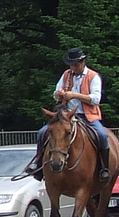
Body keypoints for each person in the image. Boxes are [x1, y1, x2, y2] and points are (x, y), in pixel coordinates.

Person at [30, 47, 111, 181]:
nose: (73, 67)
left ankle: (104, 168)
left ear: (83, 62)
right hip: (66, 115)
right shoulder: (66, 75)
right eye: (71, 64)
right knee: (42, 132)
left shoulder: (93, 76)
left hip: (87, 115)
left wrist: (75, 95)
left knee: (102, 135)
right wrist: (58, 94)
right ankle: (38, 165)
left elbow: (96, 99)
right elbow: (56, 94)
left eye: (75, 64)